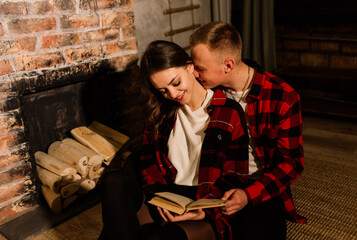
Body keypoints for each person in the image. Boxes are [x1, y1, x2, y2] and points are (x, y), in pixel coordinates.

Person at [99, 40, 250, 240]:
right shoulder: (160, 112)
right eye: (163, 90)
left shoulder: (228, 112)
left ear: (190, 67)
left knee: (156, 238)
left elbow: (235, 176)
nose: (172, 94)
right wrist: (161, 199)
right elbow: (148, 162)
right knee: (113, 182)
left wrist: (205, 211)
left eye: (175, 82)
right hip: (165, 199)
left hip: (203, 207)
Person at [189, 21, 306, 239]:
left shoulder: (283, 97)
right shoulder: (206, 91)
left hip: (261, 186)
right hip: (218, 183)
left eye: (200, 68)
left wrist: (248, 195)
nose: (194, 74)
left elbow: (292, 164)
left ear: (228, 66)